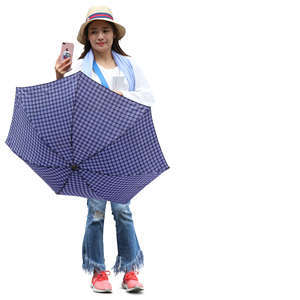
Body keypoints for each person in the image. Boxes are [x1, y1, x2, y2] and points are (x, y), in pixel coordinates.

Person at [54, 5, 156, 294]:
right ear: (87, 37)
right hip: (93, 150)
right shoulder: (80, 68)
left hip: (124, 148)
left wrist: (123, 95)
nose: (100, 36)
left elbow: (148, 98)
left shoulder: (129, 66)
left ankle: (129, 269)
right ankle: (98, 271)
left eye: (105, 30)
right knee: (96, 211)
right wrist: (60, 77)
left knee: (123, 210)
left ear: (114, 34)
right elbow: (67, 105)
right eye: (94, 31)